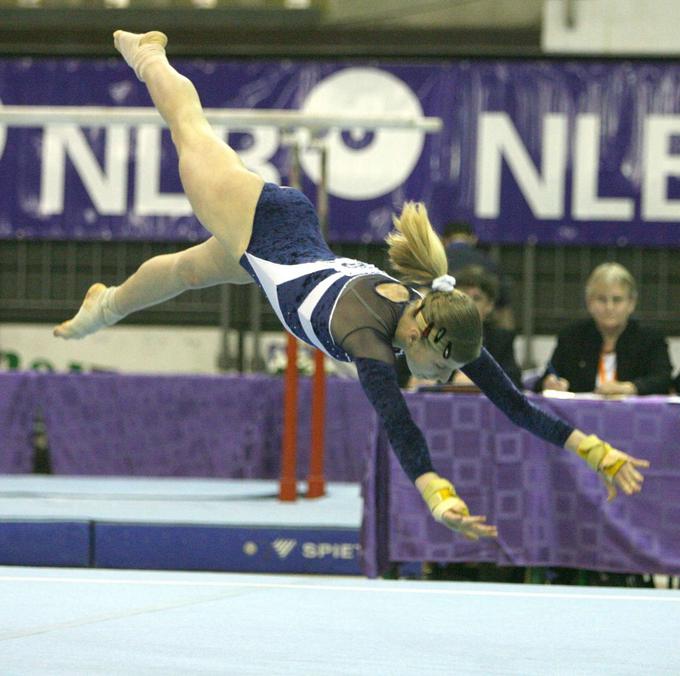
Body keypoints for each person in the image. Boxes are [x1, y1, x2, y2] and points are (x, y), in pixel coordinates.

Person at [55, 30, 649, 542]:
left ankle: (104, 306)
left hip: (281, 249)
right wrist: (438, 495)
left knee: (188, 272)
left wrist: (595, 450)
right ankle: (148, 54)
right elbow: (398, 422)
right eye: (441, 369)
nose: (442, 380)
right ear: (420, 333)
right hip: (259, 223)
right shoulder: (366, 336)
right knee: (189, 131)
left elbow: (514, 403)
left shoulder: (440, 316)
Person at [536, 263, 672, 395]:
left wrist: (630, 388)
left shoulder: (651, 338)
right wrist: (550, 384)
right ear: (589, 302)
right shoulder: (571, 337)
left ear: (631, 303)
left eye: (617, 300)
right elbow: (547, 377)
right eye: (601, 299)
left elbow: (663, 381)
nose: (609, 307)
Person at [442, 221, 514, 330]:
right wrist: (506, 340)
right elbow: (504, 310)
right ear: (474, 239)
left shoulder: (434, 264)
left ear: (444, 241)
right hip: (482, 332)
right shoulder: (489, 263)